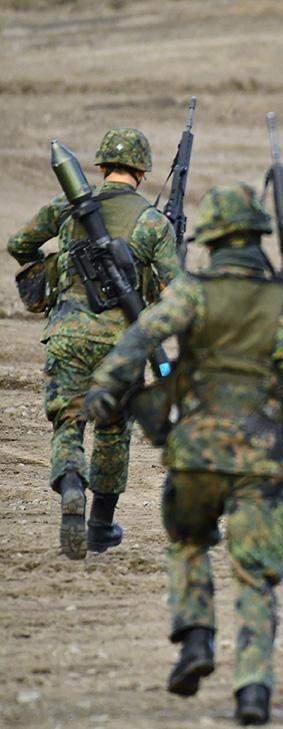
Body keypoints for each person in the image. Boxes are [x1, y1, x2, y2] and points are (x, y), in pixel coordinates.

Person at [85, 183, 283, 724]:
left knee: (187, 543)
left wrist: (106, 388)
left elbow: (142, 334)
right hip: (260, 461)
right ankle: (253, 689)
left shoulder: (194, 292)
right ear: (257, 238)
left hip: (195, 453)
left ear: (214, 241)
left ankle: (196, 639)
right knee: (255, 576)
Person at [7, 128, 179, 559]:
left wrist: (56, 267)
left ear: (101, 167)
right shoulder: (153, 223)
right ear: (142, 172)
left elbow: (18, 244)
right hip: (122, 345)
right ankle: (101, 528)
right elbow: (178, 291)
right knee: (113, 430)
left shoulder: (68, 206)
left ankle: (70, 489)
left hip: (67, 334)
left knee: (69, 419)